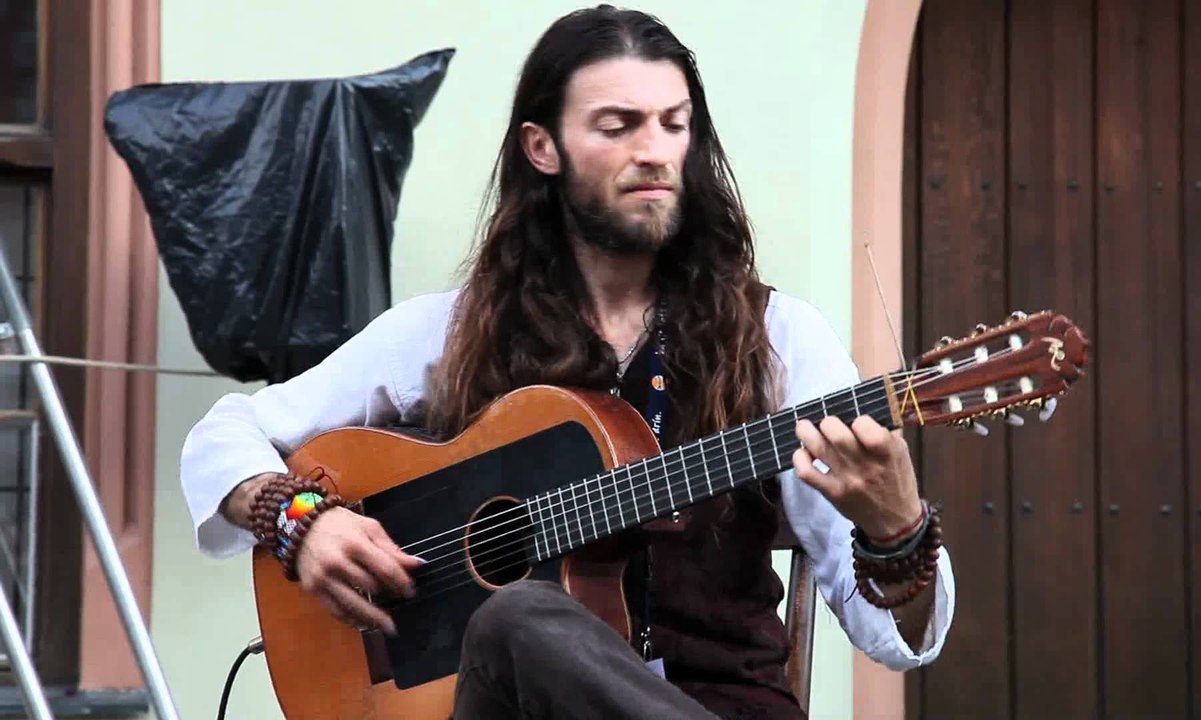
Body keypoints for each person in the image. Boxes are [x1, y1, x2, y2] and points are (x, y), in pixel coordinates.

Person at [180, 5, 955, 719]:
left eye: (674, 125)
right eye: (618, 126)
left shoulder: (777, 339)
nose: (653, 151)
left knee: (518, 615)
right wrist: (300, 521)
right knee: (517, 617)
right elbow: (226, 433)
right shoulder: (454, 332)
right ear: (541, 147)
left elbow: (896, 640)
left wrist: (897, 532)